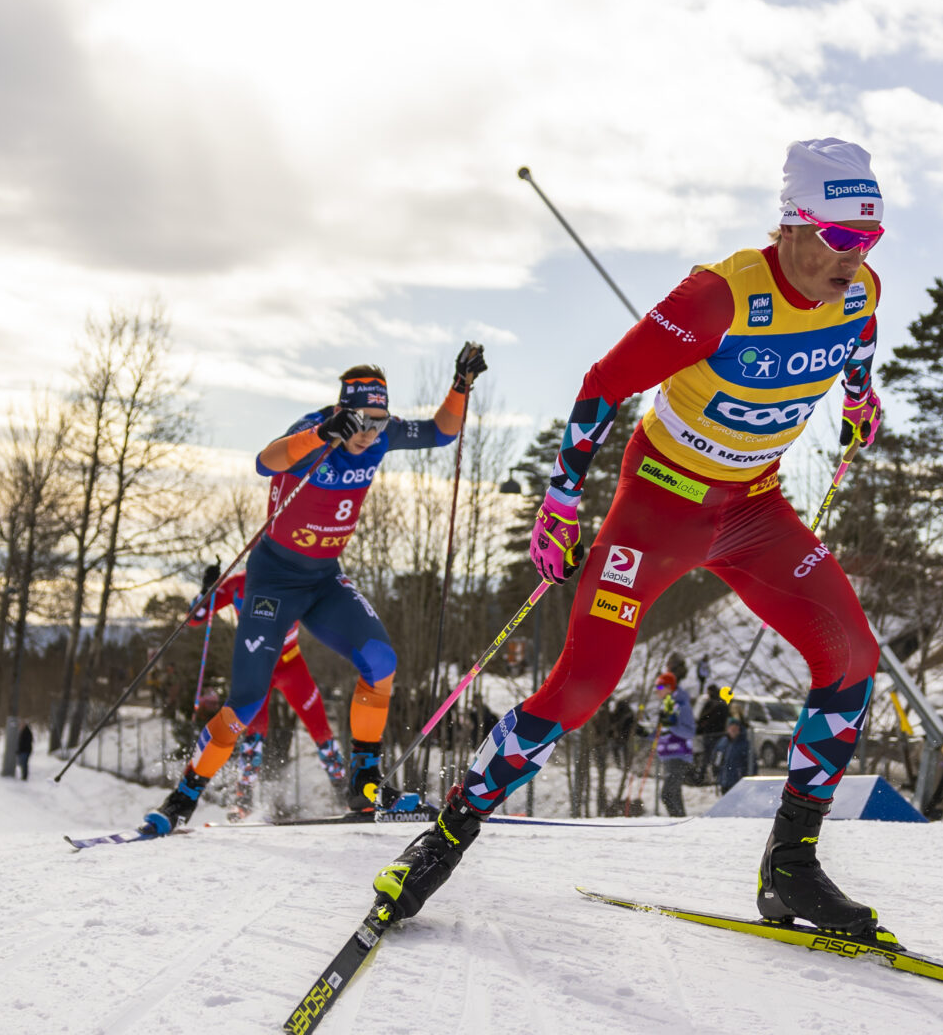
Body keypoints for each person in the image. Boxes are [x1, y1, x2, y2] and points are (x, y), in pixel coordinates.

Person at [374, 137, 891, 936]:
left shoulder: (859, 292)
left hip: (754, 510)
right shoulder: (716, 298)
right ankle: (443, 838)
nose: (853, 260)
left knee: (854, 654)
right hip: (660, 508)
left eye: (870, 240)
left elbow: (857, 341)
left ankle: (790, 867)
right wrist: (559, 503)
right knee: (580, 689)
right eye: (839, 238)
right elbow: (601, 385)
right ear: (791, 223)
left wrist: (859, 400)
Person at [139, 347, 486, 836]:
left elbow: (442, 431)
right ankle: (183, 797)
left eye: (380, 423)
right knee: (245, 704)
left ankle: (365, 783)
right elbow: (266, 462)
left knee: (381, 662)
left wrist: (460, 384)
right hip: (273, 583)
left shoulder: (380, 438)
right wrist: (322, 435)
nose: (370, 434)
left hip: (323, 580)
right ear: (343, 411)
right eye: (362, 422)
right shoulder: (316, 432)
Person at [186, 562, 350, 818]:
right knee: (254, 732)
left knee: (321, 730)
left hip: (291, 665)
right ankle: (243, 801)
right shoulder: (238, 584)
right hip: (257, 667)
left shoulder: (296, 577)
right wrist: (207, 590)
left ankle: (347, 797)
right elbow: (194, 618)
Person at [653, 672, 694, 817]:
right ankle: (681, 824)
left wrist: (671, 726)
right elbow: (663, 731)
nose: (657, 690)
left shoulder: (682, 706)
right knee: (674, 795)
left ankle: (678, 823)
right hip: (668, 755)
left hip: (679, 754)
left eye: (660, 686)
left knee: (667, 794)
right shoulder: (667, 704)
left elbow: (690, 732)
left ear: (670, 687)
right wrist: (647, 733)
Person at [693, 682, 729, 785]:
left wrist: (699, 728)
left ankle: (705, 776)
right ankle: (712, 776)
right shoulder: (721, 704)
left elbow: (704, 718)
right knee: (713, 757)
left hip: (712, 734)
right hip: (716, 734)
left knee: (710, 757)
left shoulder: (713, 704)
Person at [714, 716, 753, 794]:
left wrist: (749, 779)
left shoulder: (745, 745)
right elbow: (717, 759)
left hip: (738, 783)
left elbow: (751, 764)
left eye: (735, 729)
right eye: (731, 728)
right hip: (724, 781)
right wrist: (716, 771)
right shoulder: (723, 742)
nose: (733, 731)